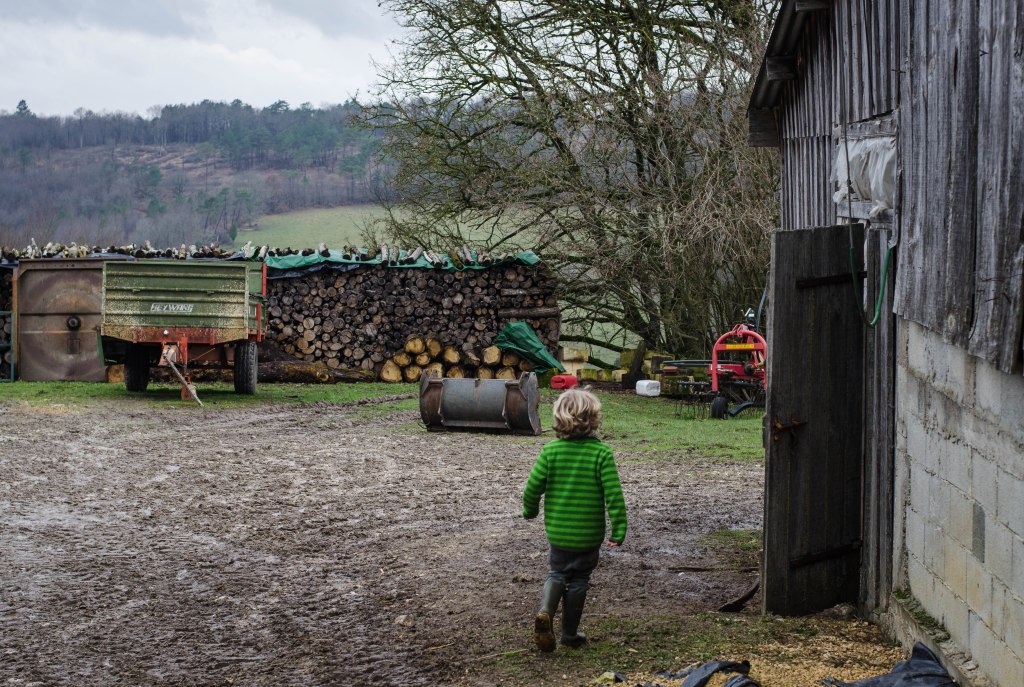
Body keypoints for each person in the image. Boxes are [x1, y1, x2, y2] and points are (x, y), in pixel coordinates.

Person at [522, 387, 627, 652]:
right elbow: (614, 495)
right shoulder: (601, 454)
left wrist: (530, 511)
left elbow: (532, 488)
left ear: (558, 418)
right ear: (593, 419)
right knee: (579, 580)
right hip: (588, 535)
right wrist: (618, 528)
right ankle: (569, 634)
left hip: (559, 533)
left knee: (557, 572)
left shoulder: (551, 452)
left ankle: (545, 611)